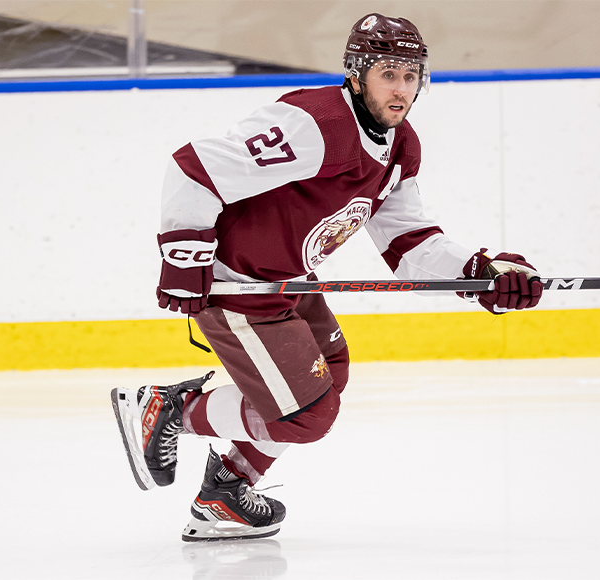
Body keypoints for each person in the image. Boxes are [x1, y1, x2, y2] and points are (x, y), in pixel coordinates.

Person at [111, 13, 543, 542]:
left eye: (411, 76)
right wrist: (184, 256)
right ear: (356, 74)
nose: (401, 89)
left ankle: (226, 492)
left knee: (327, 377)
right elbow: (195, 166)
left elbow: (408, 240)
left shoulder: (400, 147)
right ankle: (173, 409)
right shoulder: (316, 124)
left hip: (289, 280)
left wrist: (480, 273)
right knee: (305, 418)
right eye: (389, 73)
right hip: (238, 287)